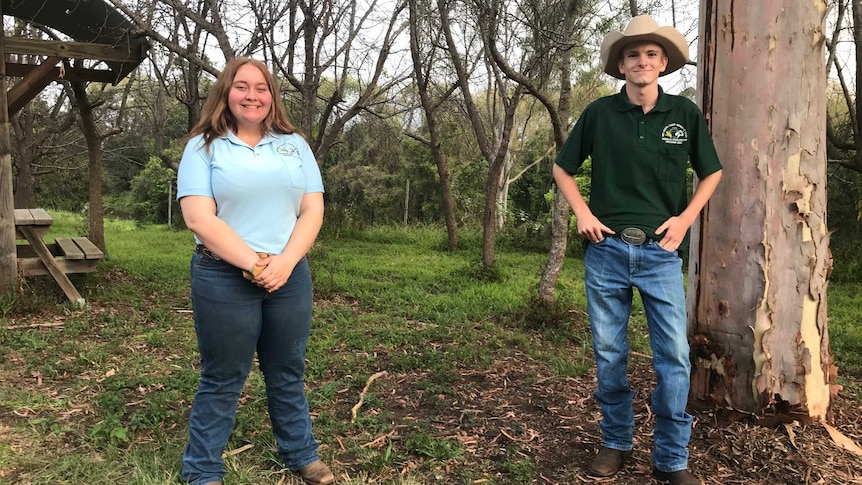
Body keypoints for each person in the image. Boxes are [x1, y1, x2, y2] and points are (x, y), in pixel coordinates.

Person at [552, 15, 723, 485]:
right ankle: (616, 442)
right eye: (633, 54)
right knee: (609, 353)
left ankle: (671, 459)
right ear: (621, 65)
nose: (642, 61)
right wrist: (583, 214)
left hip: (662, 254)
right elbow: (562, 168)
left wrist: (686, 218)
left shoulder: (684, 115)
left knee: (673, 357)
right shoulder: (599, 114)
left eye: (651, 54)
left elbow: (712, 172)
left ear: (663, 63)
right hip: (606, 251)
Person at [176, 57, 334, 485]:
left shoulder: (294, 144)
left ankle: (301, 454)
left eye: (261, 88)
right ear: (226, 92)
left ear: (272, 96)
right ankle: (203, 469)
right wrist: (255, 264)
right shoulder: (203, 146)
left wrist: (283, 264)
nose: (252, 95)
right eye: (242, 86)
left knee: (287, 370)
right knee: (223, 376)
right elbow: (199, 218)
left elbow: (312, 207)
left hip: (289, 276)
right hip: (223, 276)